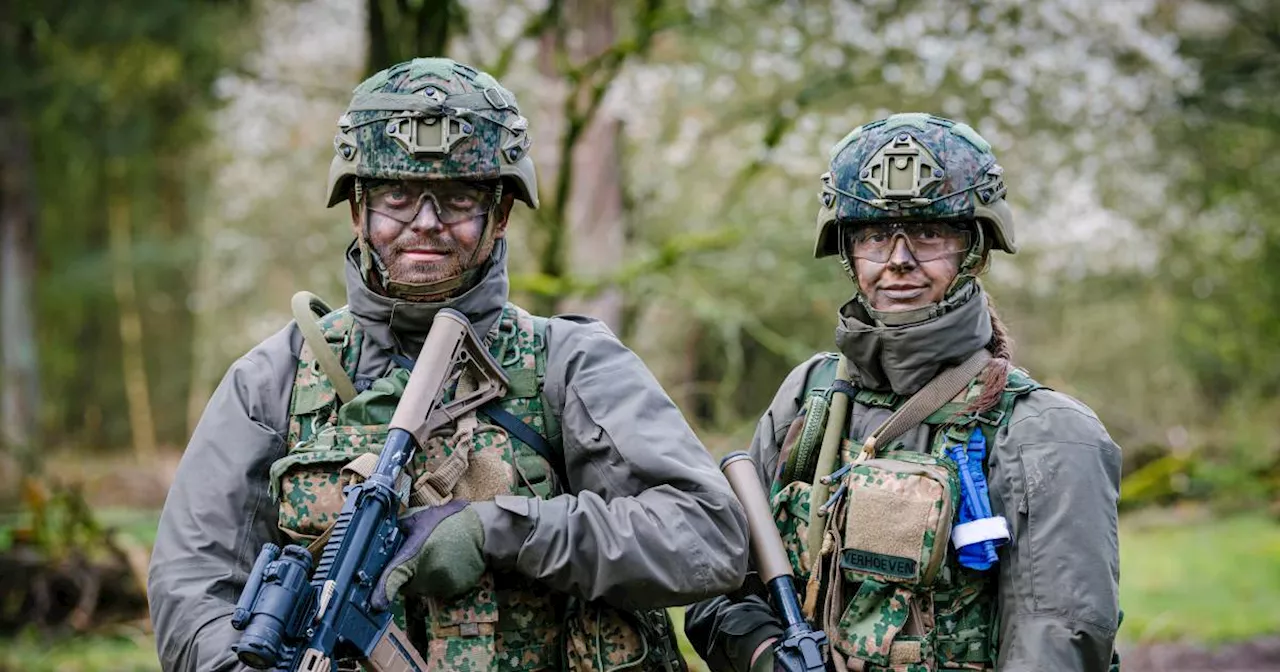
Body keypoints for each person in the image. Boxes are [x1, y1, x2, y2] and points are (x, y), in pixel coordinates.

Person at [148, 57, 748, 672]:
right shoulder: (271, 381)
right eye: (398, 195)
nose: (426, 224)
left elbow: (707, 536)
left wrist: (503, 530)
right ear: (358, 209)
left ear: (500, 215)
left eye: (459, 198)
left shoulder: (571, 364)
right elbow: (194, 590)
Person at [684, 113, 1121, 672]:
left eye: (929, 234)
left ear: (976, 250)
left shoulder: (1047, 433)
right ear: (847, 252)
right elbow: (716, 586)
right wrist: (770, 655)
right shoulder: (808, 399)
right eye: (872, 236)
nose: (898, 260)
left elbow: (1057, 645)